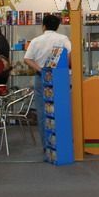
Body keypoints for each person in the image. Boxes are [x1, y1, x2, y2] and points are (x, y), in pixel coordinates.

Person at [24, 14, 72, 144]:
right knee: (61, 109)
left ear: (43, 26)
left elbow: (27, 59)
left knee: (42, 111)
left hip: (41, 78)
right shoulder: (63, 39)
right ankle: (61, 142)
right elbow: (71, 53)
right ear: (57, 27)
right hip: (59, 78)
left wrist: (41, 70)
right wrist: (64, 67)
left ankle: (47, 144)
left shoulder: (36, 40)